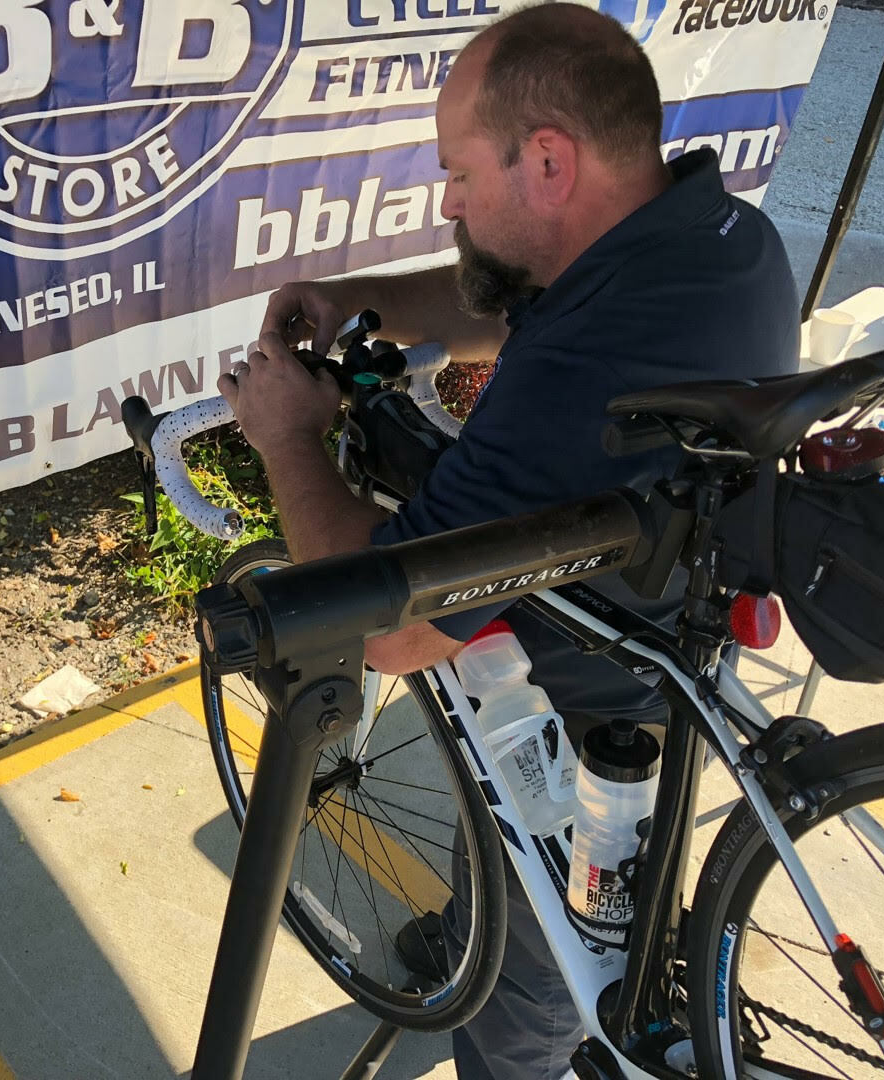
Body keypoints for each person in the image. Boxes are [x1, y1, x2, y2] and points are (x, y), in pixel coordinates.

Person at [219, 4, 800, 1077]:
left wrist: (290, 437)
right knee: (503, 860)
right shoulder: (707, 232)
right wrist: (364, 298)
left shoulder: (582, 370)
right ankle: (475, 920)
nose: (447, 201)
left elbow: (386, 631)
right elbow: (515, 299)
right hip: (666, 637)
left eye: (456, 175)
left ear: (545, 161)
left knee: (523, 1020)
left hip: (590, 722)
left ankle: (526, 1004)